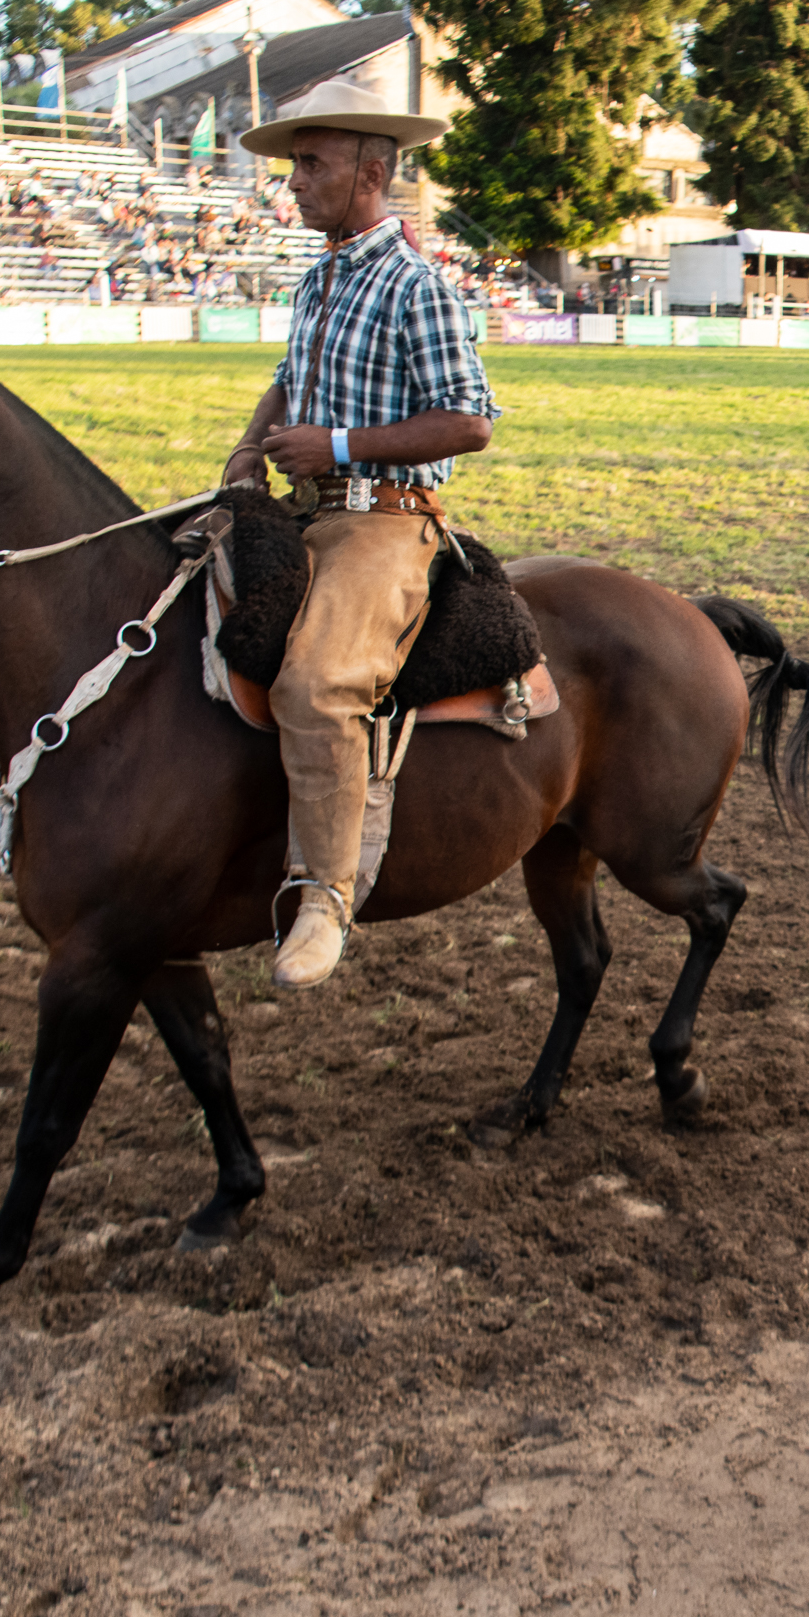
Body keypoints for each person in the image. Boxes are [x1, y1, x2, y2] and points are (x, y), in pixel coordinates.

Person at [220, 80, 501, 990]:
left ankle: (325, 895)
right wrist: (248, 447)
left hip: (383, 521)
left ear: (370, 175)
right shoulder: (319, 276)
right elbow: (286, 375)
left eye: (311, 164)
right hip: (304, 507)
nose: (294, 182)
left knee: (317, 684)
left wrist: (335, 445)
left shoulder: (419, 287)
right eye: (295, 165)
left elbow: (470, 420)